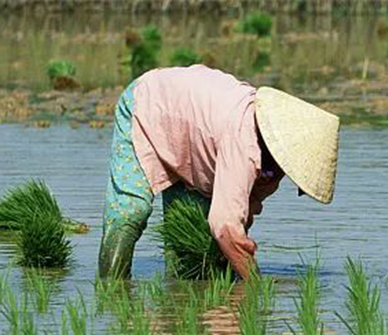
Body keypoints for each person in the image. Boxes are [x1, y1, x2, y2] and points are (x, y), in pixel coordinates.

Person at [98, 64, 340, 279]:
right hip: (148, 106)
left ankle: (178, 312)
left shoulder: (271, 167)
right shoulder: (244, 143)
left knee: (189, 244)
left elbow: (242, 209)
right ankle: (111, 296)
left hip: (194, 141)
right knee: (130, 213)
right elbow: (224, 227)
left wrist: (234, 252)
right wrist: (255, 285)